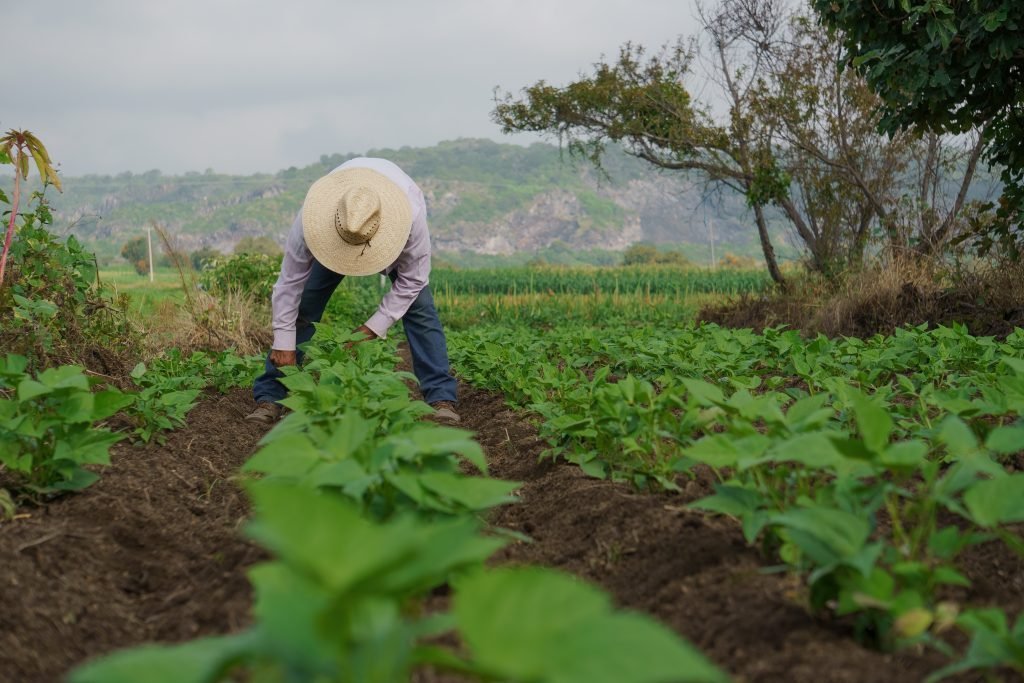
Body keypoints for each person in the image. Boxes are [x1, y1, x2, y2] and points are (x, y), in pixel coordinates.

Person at [245, 157, 459, 424]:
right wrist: (283, 342)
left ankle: (440, 396)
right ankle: (271, 397)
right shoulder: (311, 221)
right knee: (304, 306)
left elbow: (414, 280)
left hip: (392, 240)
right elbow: (289, 283)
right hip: (335, 240)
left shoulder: (410, 217)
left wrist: (372, 328)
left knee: (421, 311)